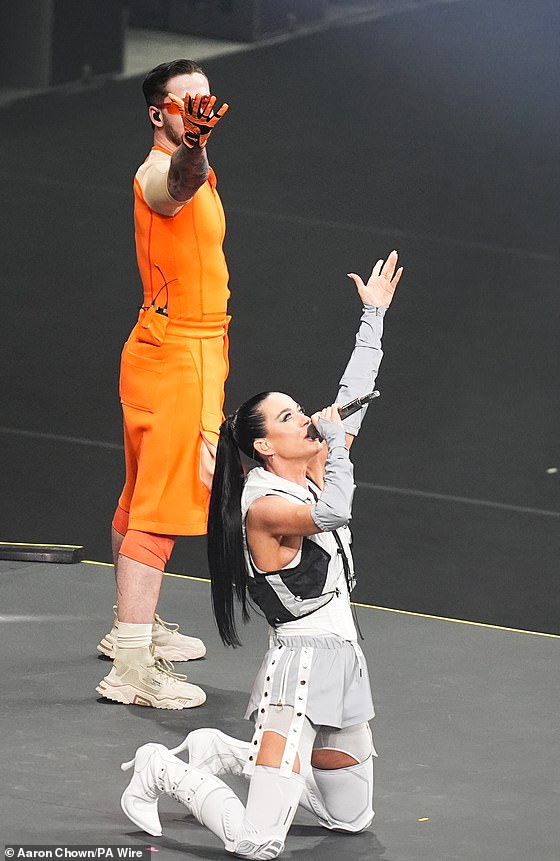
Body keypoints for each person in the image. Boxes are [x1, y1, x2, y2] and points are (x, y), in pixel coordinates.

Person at [119, 251, 403, 858]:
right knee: (257, 842)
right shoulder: (264, 506)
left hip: (345, 659)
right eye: (290, 417)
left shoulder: (312, 465)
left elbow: (354, 396)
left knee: (348, 819)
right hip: (297, 674)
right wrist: (337, 443)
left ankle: (220, 750)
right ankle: (158, 769)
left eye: (301, 411)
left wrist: (372, 318)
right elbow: (334, 513)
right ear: (263, 445)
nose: (305, 419)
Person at [96, 59, 230, 709]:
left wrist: (197, 144)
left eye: (206, 99)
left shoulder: (190, 159)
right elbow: (177, 181)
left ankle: (129, 628)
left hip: (170, 345)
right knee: (164, 510)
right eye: (186, 103)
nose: (200, 109)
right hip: (179, 357)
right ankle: (130, 665)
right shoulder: (160, 168)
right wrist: (195, 146)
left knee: (137, 495)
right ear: (159, 114)